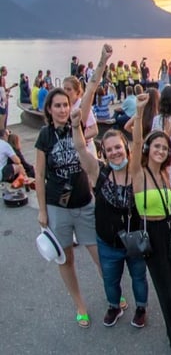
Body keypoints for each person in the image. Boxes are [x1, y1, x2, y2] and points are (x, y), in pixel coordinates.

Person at [34, 44, 111, 329]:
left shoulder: (77, 124)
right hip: (57, 207)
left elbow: (90, 88)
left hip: (84, 201)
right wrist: (42, 212)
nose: (64, 109)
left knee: (98, 254)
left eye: (66, 104)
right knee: (65, 259)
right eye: (58, 105)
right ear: (50, 109)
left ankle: (111, 294)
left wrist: (103, 60)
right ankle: (80, 303)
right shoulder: (44, 136)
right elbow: (40, 174)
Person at [131, 97, 171, 353]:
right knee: (165, 288)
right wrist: (138, 113)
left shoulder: (165, 173)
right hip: (152, 233)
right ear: (148, 148)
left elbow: (168, 204)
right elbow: (136, 141)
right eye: (157, 146)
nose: (161, 151)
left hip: (170, 230)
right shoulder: (139, 172)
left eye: (165, 148)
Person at [71, 116, 149, 328]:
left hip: (133, 241)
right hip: (107, 241)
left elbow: (140, 141)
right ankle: (114, 306)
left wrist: (140, 111)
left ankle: (141, 308)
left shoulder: (136, 172)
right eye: (109, 149)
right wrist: (75, 124)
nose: (115, 152)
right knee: (110, 280)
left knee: (139, 278)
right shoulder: (99, 172)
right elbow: (79, 147)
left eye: (118, 147)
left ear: (126, 148)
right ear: (103, 152)